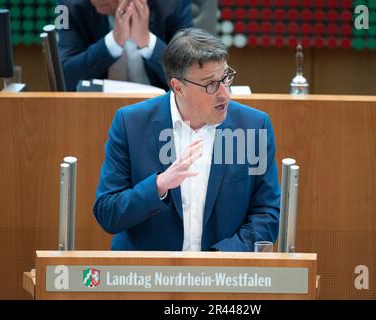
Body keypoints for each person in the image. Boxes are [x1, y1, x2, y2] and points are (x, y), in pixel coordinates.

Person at [94, 28, 280, 252]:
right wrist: (159, 185)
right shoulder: (131, 124)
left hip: (223, 277)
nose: (224, 93)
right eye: (210, 84)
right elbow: (108, 213)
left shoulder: (253, 126)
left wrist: (217, 262)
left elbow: (266, 214)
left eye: (225, 78)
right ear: (178, 87)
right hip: (147, 276)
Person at [56, 0, 192, 91]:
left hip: (160, 115)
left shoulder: (172, 3)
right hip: (95, 112)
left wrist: (147, 42)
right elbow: (63, 79)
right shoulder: (68, 4)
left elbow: (189, 78)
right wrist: (112, 43)